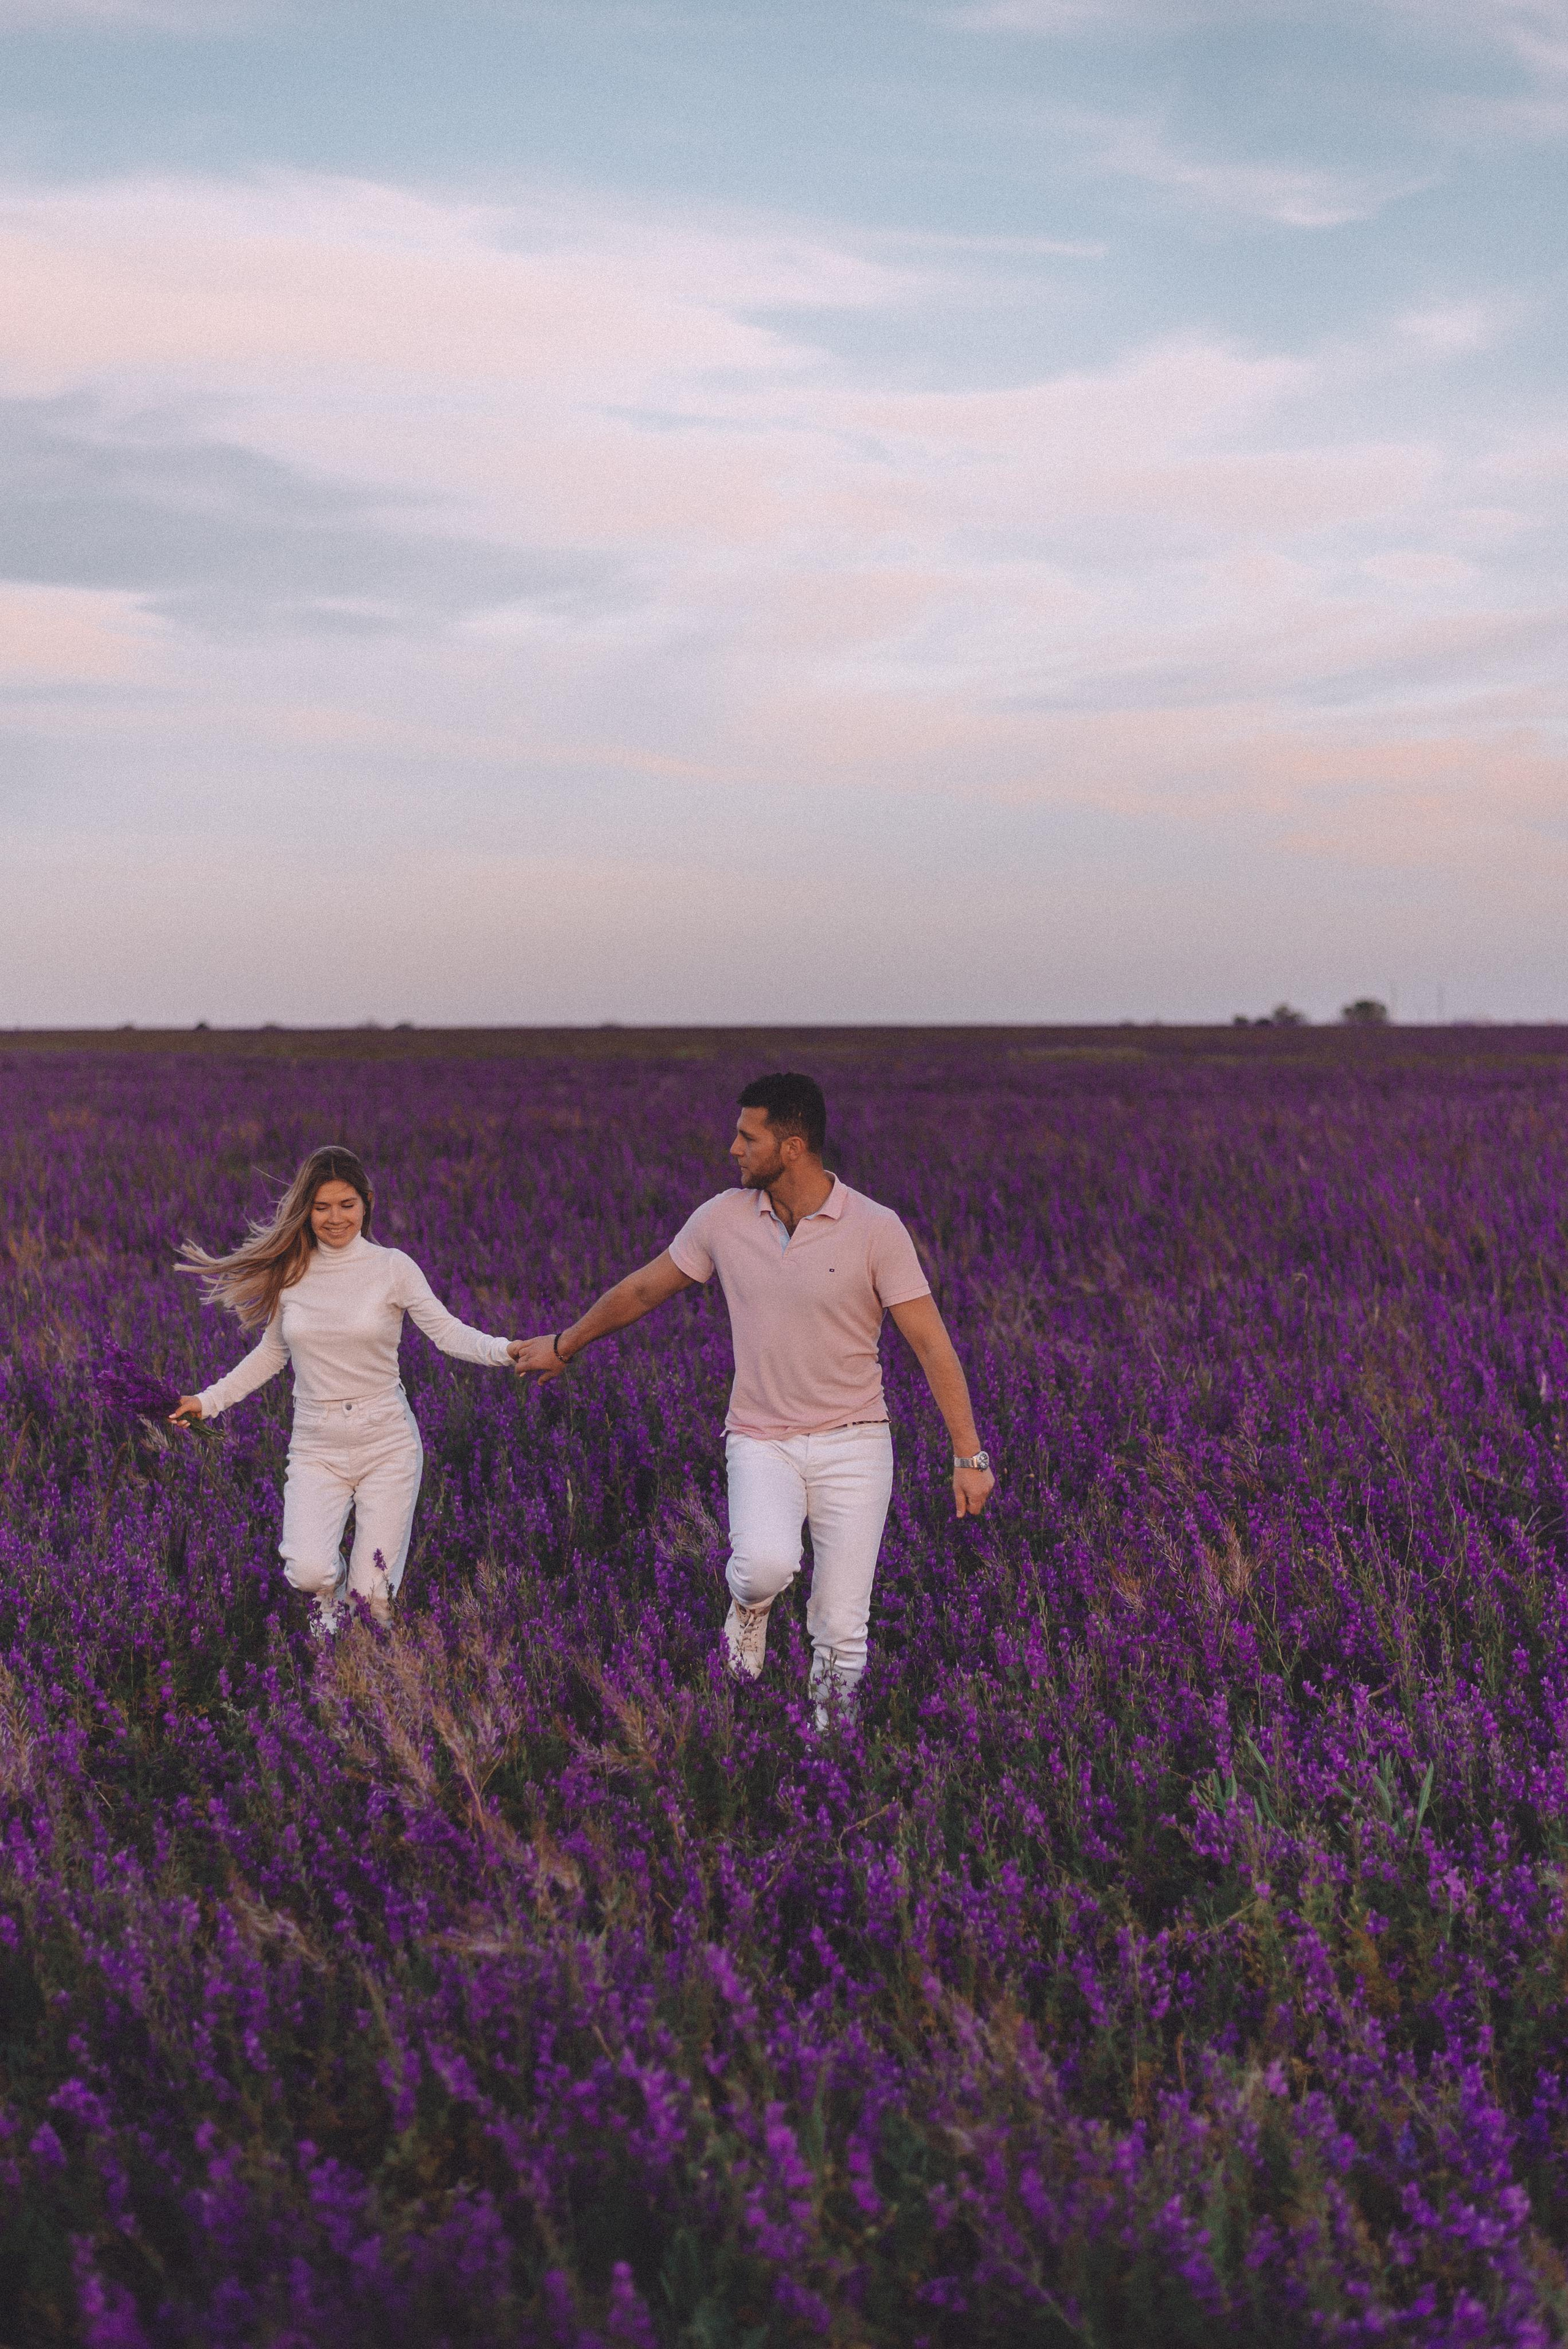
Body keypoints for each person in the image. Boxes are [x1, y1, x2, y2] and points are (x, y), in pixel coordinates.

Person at [513, 1073, 994, 1724]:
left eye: (747, 1136)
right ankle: (748, 1607)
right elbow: (644, 1291)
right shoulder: (722, 1219)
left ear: (792, 1147)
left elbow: (933, 1347)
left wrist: (968, 1456)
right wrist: (565, 1345)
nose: (732, 1149)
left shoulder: (876, 1229)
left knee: (841, 1622)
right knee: (765, 1566)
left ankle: (829, 1759)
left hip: (856, 1442)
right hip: (761, 1438)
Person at [170, 1144, 524, 1632]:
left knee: (373, 1601)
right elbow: (273, 1354)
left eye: (346, 1205)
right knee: (310, 1573)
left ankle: (343, 1687)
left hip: (387, 1439)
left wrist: (507, 1350)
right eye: (320, 1207)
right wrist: (206, 1402)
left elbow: (448, 1333)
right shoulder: (293, 1272)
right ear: (305, 1210)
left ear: (367, 1203)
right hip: (317, 1442)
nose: (334, 1218)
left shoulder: (393, 1267)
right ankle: (332, 1623)